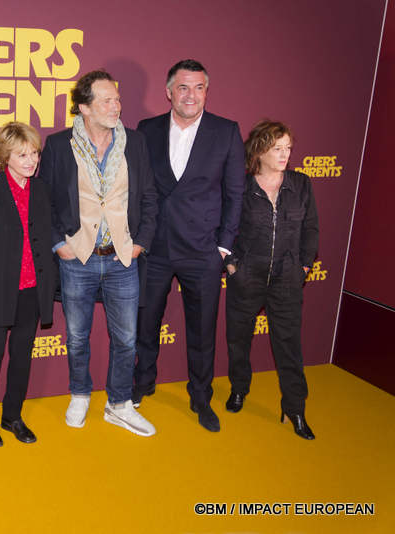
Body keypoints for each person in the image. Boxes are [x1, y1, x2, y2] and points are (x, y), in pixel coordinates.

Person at [39, 70, 158, 436]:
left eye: (117, 100)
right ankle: (79, 394)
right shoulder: (59, 145)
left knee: (126, 338)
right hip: (79, 258)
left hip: (123, 256)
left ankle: (119, 403)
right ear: (84, 108)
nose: (116, 106)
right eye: (106, 101)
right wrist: (60, 244)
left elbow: (150, 197)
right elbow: (43, 200)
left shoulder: (135, 142)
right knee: (77, 336)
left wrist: (140, 243)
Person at [135, 59, 245, 432]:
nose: (191, 95)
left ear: (206, 92)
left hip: (202, 251)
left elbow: (235, 193)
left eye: (199, 87)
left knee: (202, 330)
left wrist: (223, 247)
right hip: (156, 248)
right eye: (183, 87)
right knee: (145, 321)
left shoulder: (226, 131)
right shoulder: (146, 130)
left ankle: (200, 398)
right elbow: (136, 189)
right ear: (169, 92)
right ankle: (143, 381)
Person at [224, 120, 318, 440]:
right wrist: (232, 265)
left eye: (288, 147)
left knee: (289, 346)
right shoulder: (242, 186)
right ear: (260, 150)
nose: (285, 154)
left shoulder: (301, 184)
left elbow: (311, 230)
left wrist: (303, 266)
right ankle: (239, 389)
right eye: (277, 148)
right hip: (247, 275)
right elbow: (223, 229)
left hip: (287, 279)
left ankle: (295, 408)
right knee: (238, 340)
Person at [0, 122, 55, 447]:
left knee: (22, 358)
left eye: (34, 153)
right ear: (6, 156)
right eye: (23, 155)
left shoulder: (42, 191)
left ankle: (12, 416)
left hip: (32, 292)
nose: (31, 161)